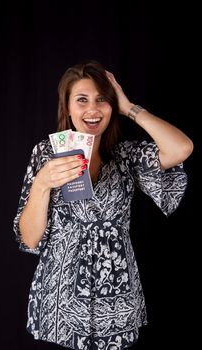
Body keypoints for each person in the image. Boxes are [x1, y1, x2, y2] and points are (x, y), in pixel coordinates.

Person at [13, 60, 193, 350]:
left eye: (102, 100)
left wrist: (129, 107)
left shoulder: (125, 156)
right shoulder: (46, 154)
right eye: (82, 100)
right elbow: (30, 237)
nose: (93, 109)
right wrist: (42, 184)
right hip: (61, 303)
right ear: (67, 107)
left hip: (117, 302)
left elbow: (181, 148)